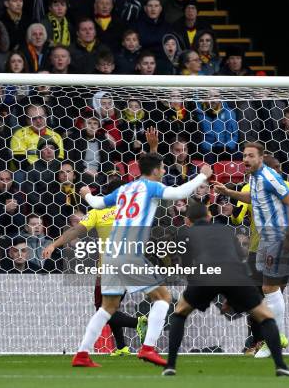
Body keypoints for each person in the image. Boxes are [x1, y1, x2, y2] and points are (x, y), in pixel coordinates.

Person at [72, 152, 213, 368]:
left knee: (107, 307)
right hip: (129, 252)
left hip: (110, 253)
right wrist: (202, 176)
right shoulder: (151, 187)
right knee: (163, 298)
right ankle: (148, 348)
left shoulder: (125, 188)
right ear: (155, 170)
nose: (165, 171)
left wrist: (86, 194)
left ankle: (82, 353)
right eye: (163, 168)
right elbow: (179, 193)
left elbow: (99, 203)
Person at [162, 201, 289, 377]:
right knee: (266, 317)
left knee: (179, 313)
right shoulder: (227, 230)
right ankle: (281, 365)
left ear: (188, 221)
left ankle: (170, 366)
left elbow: (188, 265)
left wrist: (196, 292)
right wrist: (235, 294)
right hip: (235, 275)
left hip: (206, 275)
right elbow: (239, 259)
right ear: (209, 217)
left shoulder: (185, 233)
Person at [214, 143, 289, 359]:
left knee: (269, 288)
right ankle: (273, 339)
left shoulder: (269, 177)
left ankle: (274, 341)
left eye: (251, 156)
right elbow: (254, 199)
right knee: (267, 288)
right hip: (264, 238)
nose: (246, 159)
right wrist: (228, 191)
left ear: (261, 158)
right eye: (244, 155)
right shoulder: (254, 177)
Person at [42, 179, 148, 356]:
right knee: (111, 308)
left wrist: (54, 245)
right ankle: (122, 347)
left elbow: (75, 231)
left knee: (103, 310)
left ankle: (137, 322)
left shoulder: (98, 213)